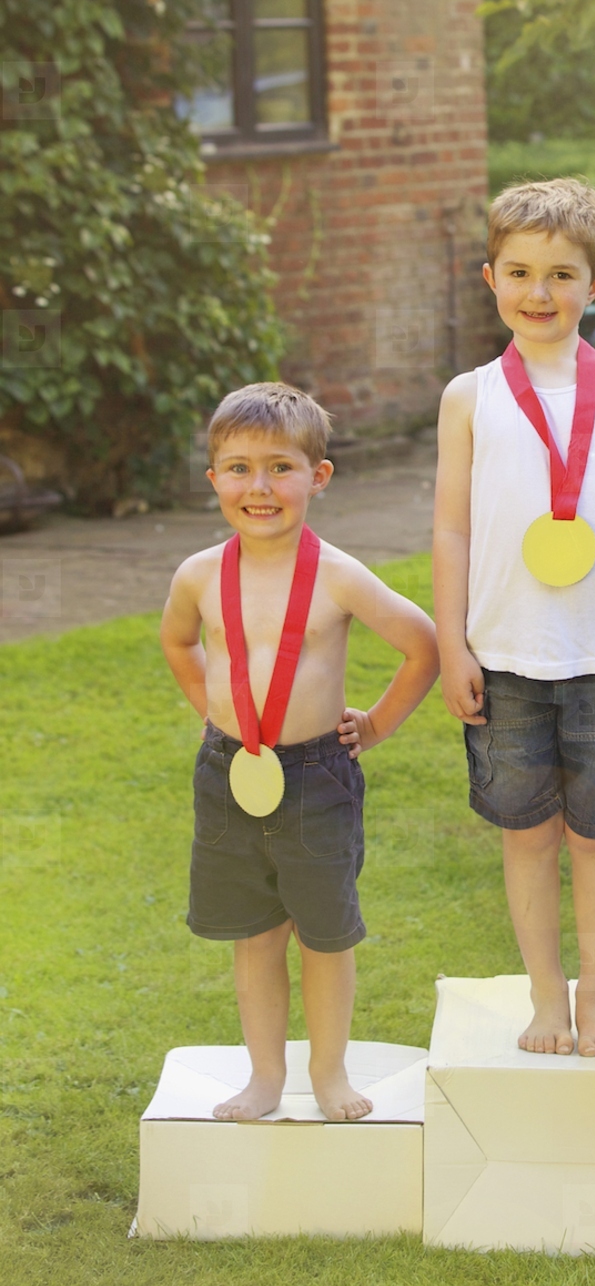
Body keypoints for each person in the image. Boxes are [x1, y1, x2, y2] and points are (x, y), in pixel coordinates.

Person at [434, 178, 595, 1057]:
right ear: (490, 276)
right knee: (528, 835)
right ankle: (546, 998)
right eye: (522, 273)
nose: (541, 293)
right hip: (504, 659)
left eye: (563, 275)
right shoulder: (468, 396)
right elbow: (453, 526)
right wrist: (451, 642)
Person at [161, 382, 438, 1122]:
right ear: (213, 476)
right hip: (228, 776)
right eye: (239, 467)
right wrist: (212, 711)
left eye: (280, 467)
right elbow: (178, 641)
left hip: (316, 777)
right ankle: (263, 1075)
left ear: (318, 476)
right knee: (253, 936)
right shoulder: (197, 574)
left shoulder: (339, 575)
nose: (260, 486)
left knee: (323, 934)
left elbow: (423, 646)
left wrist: (373, 726)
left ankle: (328, 1072)